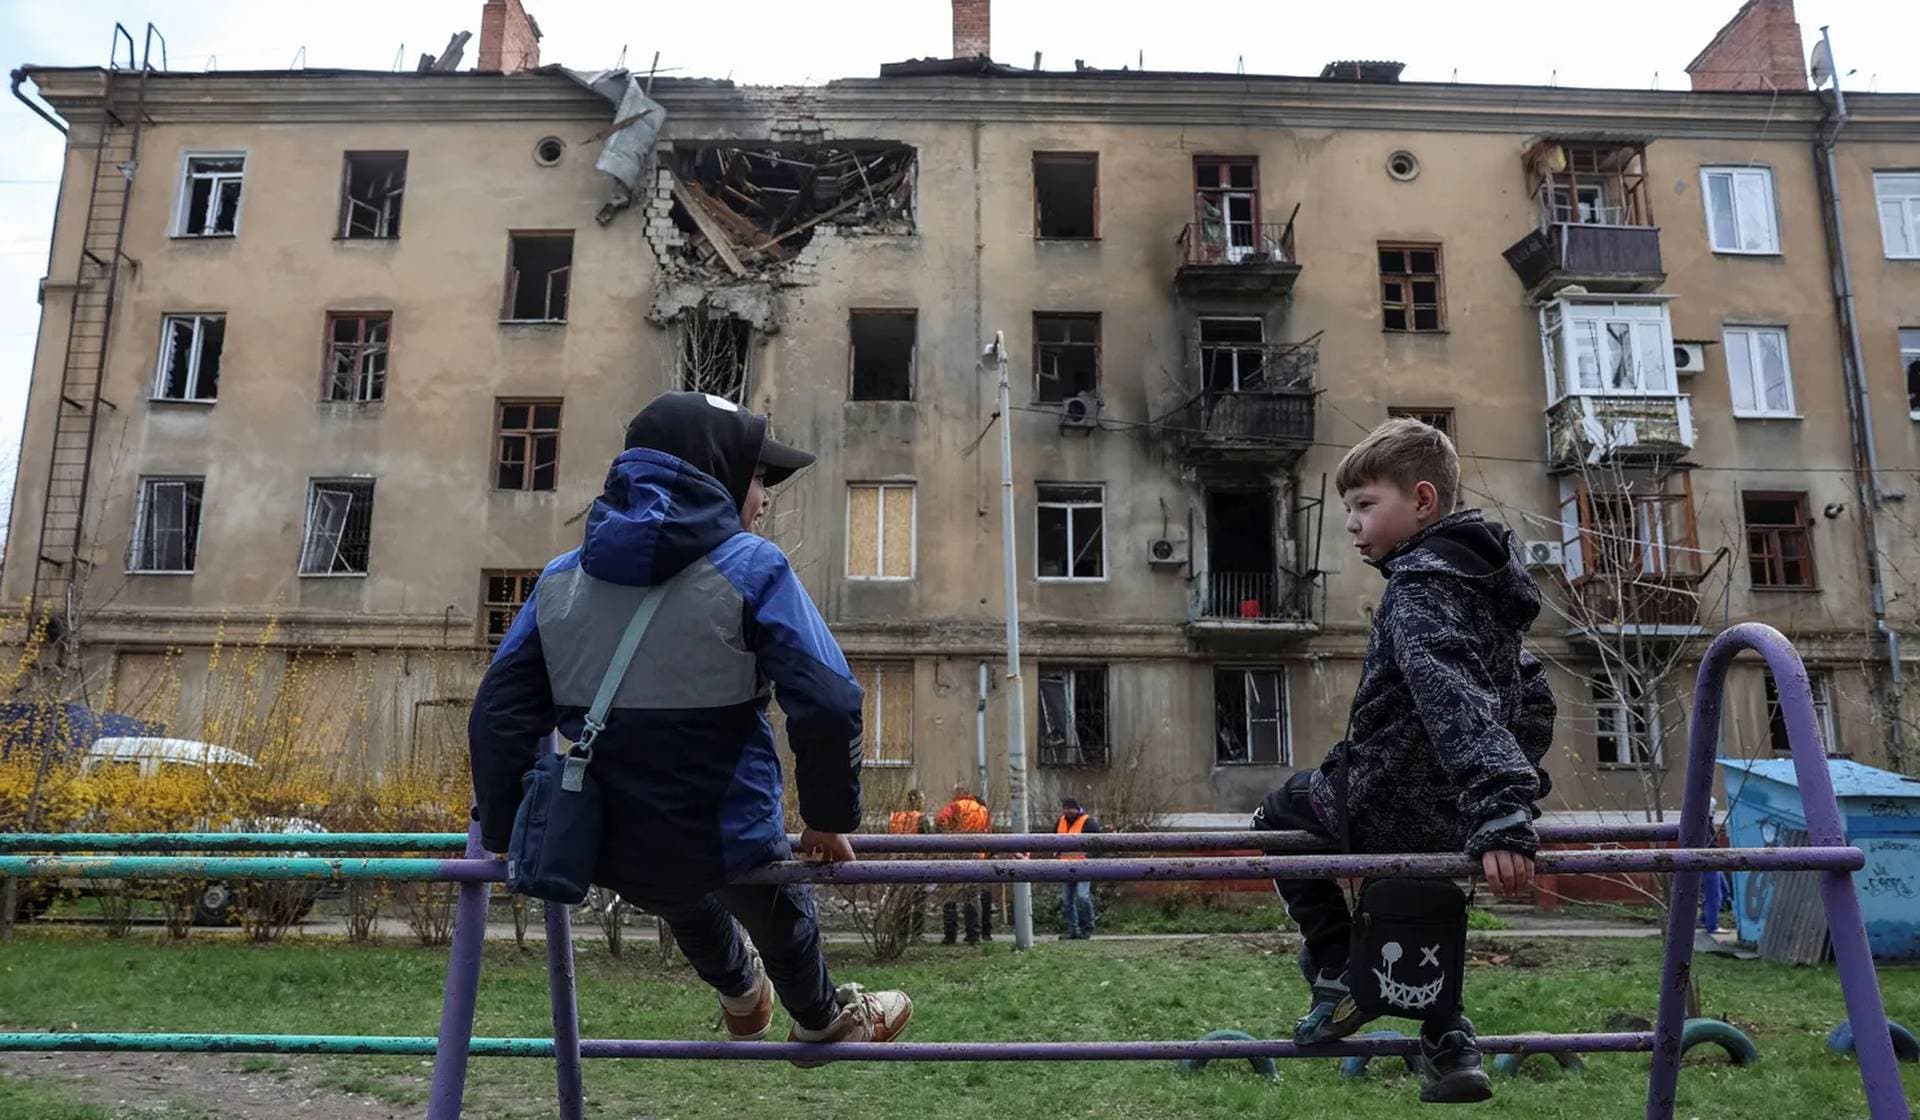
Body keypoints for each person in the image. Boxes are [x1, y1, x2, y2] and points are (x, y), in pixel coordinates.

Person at [469, 391, 911, 1062]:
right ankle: (821, 1019)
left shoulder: (560, 579)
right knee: (779, 909)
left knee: (679, 896)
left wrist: (501, 830)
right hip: (728, 836)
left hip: (612, 846)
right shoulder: (753, 568)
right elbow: (827, 697)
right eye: (759, 477)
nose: (763, 498)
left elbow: (499, 710)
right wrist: (827, 818)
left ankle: (740, 993)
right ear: (717, 473)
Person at [1252, 417, 1554, 1105]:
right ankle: (1450, 1045)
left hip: (1387, 790)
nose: (1353, 525)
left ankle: (1335, 969)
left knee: (1275, 816)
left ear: (1422, 502)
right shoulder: (1488, 591)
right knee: (1419, 902)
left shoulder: (1420, 588)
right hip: (1450, 810)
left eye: (1364, 505)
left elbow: (1451, 689)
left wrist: (1501, 805)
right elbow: (1529, 696)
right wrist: (1502, 794)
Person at [934, 785, 994, 945]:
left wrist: (948, 834)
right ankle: (974, 935)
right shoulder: (982, 810)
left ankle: (950, 935)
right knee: (972, 896)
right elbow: (988, 831)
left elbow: (940, 819)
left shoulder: (956, 806)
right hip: (976, 855)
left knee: (950, 895)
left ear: (959, 794)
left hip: (956, 853)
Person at [889, 789, 934, 943]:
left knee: (902, 901)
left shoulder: (896, 817)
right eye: (922, 800)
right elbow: (929, 843)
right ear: (917, 801)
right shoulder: (921, 819)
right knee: (919, 900)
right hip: (917, 864)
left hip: (898, 864)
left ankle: (901, 933)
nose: (923, 803)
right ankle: (917, 933)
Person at [1054, 797, 1102, 939]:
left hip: (1083, 866)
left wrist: (1090, 858)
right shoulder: (1060, 822)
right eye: (1065, 808)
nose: (1067, 811)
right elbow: (1052, 839)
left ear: (1077, 809)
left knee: (1082, 897)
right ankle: (1072, 930)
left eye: (1069, 808)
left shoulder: (1088, 823)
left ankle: (1087, 928)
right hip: (1065, 866)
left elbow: (1099, 844)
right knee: (1067, 900)